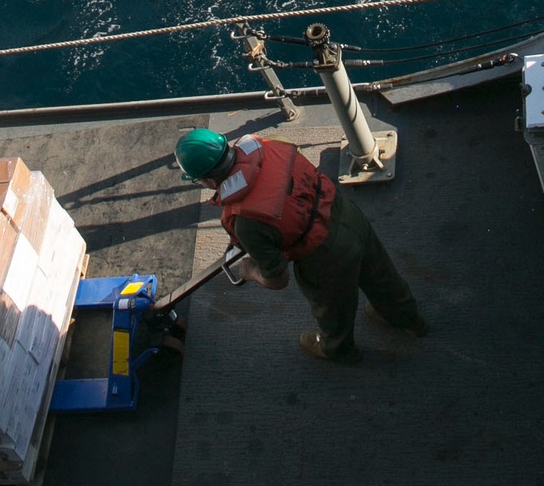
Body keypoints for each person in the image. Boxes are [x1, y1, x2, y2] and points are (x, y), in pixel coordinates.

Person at [174, 128, 427, 363]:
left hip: (325, 257)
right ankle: (407, 319)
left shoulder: (246, 221)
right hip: (347, 214)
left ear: (206, 179)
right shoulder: (265, 145)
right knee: (381, 275)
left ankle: (337, 349)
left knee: (332, 309)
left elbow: (277, 279)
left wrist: (250, 270)